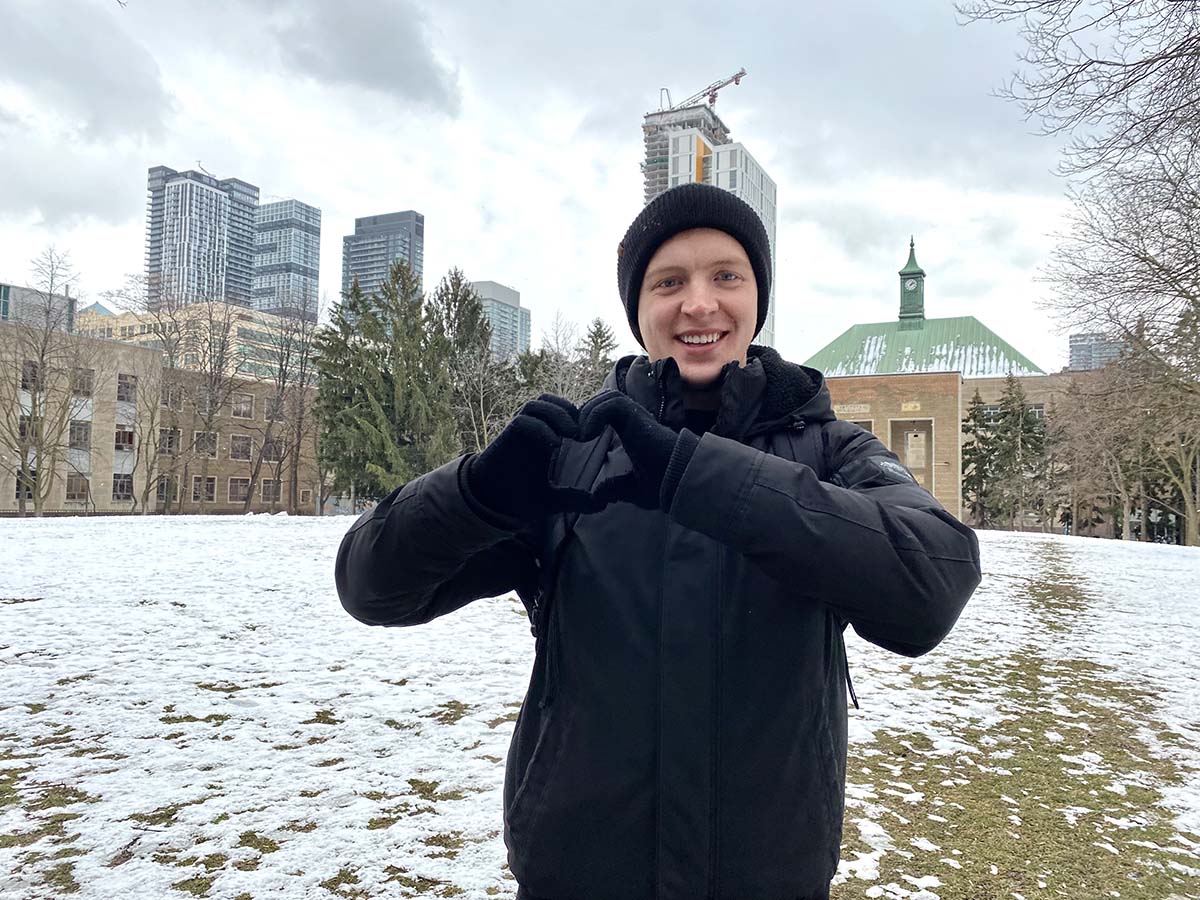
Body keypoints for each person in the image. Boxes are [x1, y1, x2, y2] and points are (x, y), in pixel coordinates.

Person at [335, 182, 982, 900]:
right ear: (638, 310)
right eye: (668, 281)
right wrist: (472, 496)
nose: (699, 304)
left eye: (726, 277)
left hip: (769, 877)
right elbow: (372, 588)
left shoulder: (831, 450)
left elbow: (933, 581)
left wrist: (692, 474)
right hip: (577, 875)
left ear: (758, 299)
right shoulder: (572, 456)